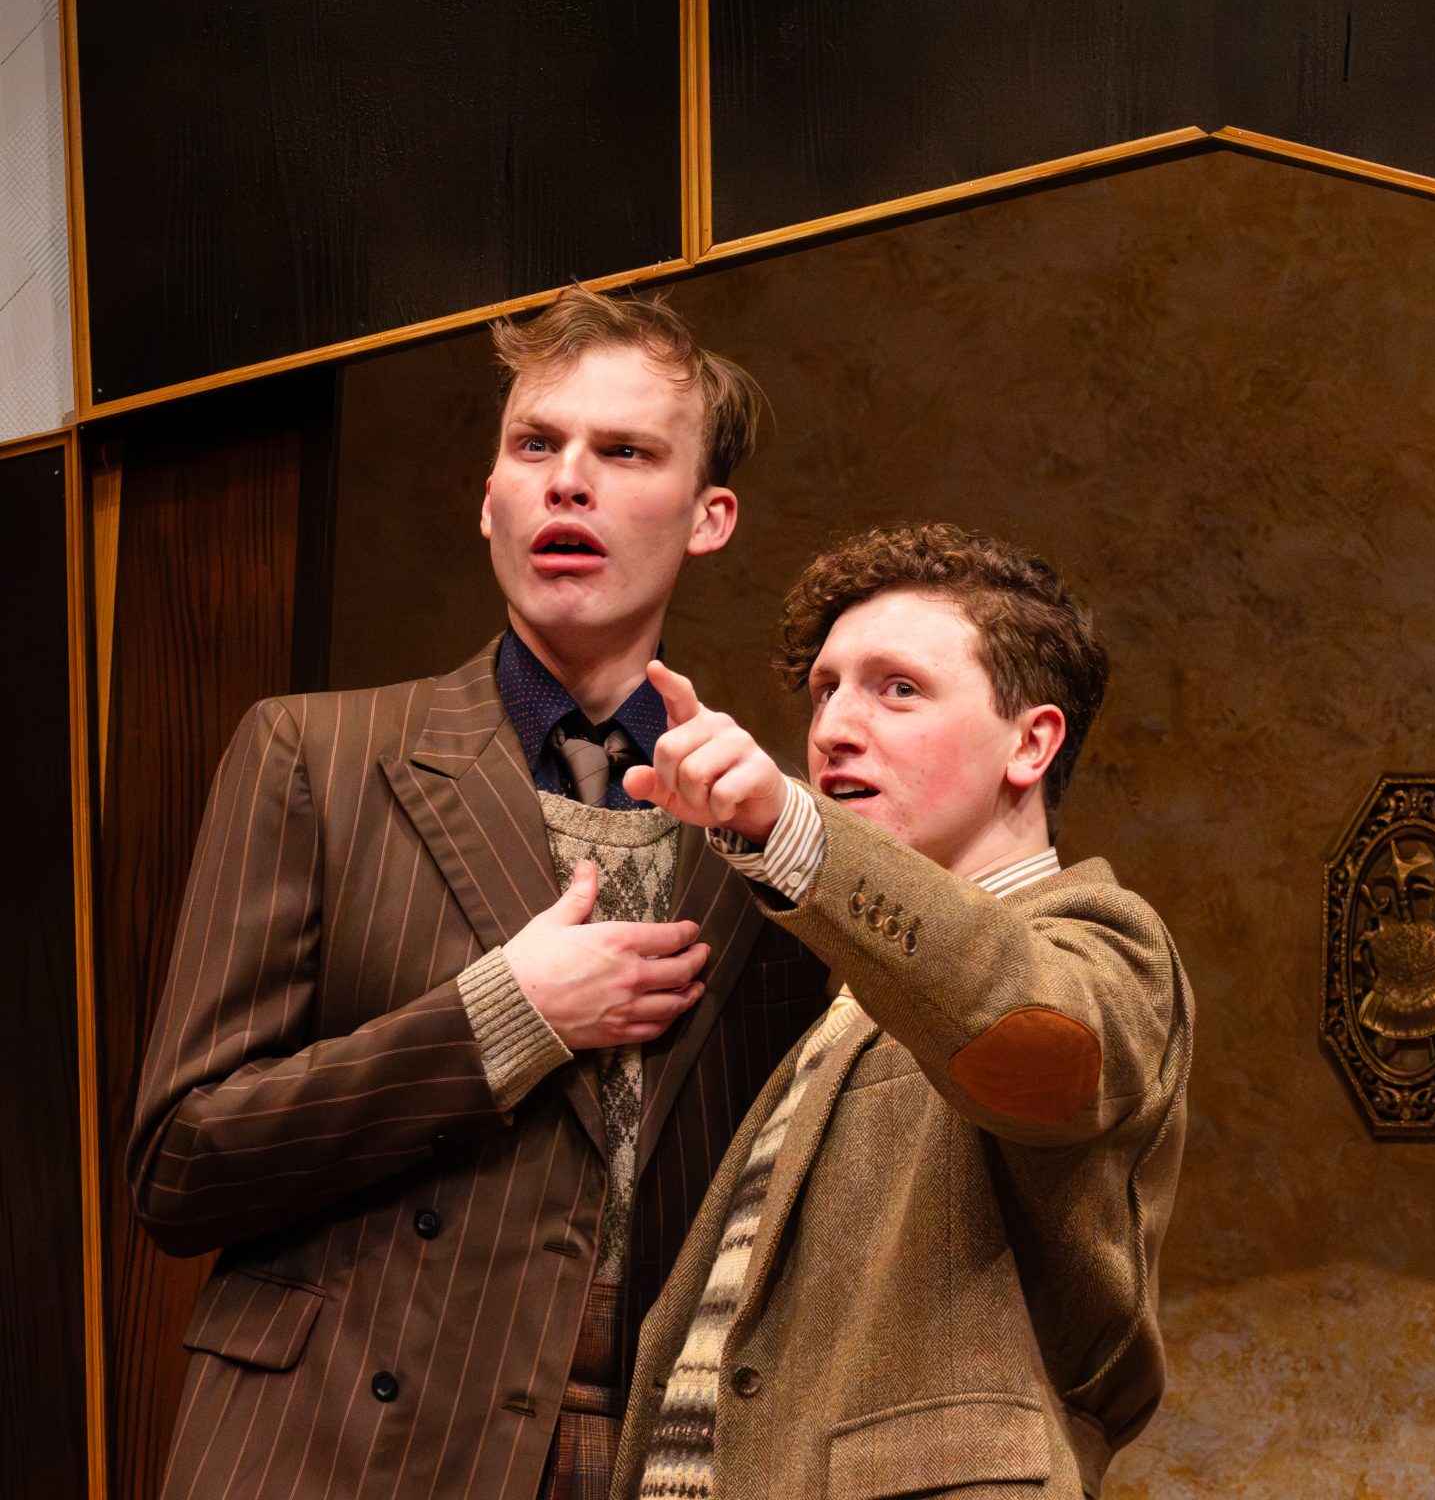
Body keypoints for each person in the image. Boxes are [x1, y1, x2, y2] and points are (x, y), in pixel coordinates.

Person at [127, 287, 830, 1500]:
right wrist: (503, 1016)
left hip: (641, 1459)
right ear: (489, 497)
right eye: (534, 445)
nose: (569, 482)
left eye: (624, 452)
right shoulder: (316, 755)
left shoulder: (770, 834)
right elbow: (181, 1168)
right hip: (340, 1450)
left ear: (707, 517)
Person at [609, 523, 1194, 1500]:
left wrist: (793, 830)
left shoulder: (1106, 945)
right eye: (824, 690)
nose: (833, 727)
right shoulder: (847, 998)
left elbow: (1031, 1042)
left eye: (898, 689)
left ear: (1030, 743)